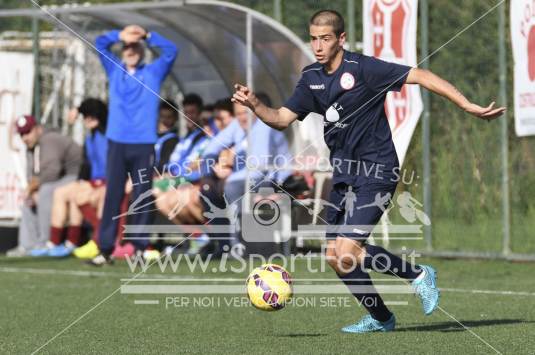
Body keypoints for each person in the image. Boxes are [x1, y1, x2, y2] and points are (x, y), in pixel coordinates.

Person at [231, 10, 505, 333]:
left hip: (377, 168)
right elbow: (280, 117)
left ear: (341, 39)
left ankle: (418, 275)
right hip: (344, 175)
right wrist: (254, 105)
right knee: (336, 257)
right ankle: (381, 318)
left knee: (348, 249)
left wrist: (466, 105)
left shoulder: (364, 69)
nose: (318, 46)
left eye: (326, 39)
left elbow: (421, 76)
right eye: (314, 38)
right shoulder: (311, 79)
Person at [90, 25, 178, 266]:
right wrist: (119, 35)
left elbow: (171, 50)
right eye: (127, 47)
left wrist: (148, 36)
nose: (130, 50)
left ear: (141, 50)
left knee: (141, 195)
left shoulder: (153, 72)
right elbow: (100, 43)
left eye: (134, 46)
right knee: (113, 195)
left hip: (143, 144)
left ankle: (139, 247)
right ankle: (105, 248)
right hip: (117, 142)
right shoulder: (114, 68)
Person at [201, 93, 293, 253]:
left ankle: (239, 244)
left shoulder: (265, 126)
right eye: (238, 114)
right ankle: (223, 244)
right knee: (207, 189)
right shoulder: (237, 125)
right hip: (245, 179)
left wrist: (228, 174)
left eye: (245, 113)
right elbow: (211, 148)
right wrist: (211, 171)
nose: (242, 118)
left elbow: (259, 167)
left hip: (274, 181)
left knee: (232, 187)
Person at [29, 98, 108, 258]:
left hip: (107, 182)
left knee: (78, 197)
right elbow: (86, 166)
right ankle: (54, 243)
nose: (87, 120)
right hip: (92, 182)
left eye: (91, 116)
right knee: (61, 192)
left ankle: (89, 240)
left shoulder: (109, 134)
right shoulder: (89, 138)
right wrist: (82, 181)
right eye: (85, 116)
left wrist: (80, 109)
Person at [7, 115, 82, 257]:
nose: (24, 138)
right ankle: (27, 245)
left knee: (46, 193)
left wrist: (33, 189)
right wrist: (30, 191)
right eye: (22, 134)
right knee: (27, 201)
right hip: (57, 180)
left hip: (76, 177)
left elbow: (52, 172)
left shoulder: (49, 139)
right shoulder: (31, 146)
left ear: (37, 129)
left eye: (27, 132)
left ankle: (46, 242)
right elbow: (32, 175)